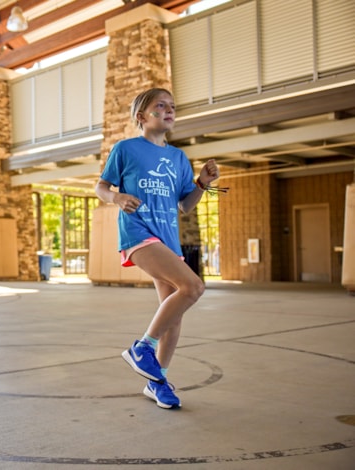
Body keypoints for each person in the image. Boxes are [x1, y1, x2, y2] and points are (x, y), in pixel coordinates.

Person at [95, 87, 220, 409]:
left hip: (168, 238)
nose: (169, 110)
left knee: (174, 316)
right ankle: (142, 347)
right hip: (138, 232)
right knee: (193, 286)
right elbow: (102, 187)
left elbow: (185, 206)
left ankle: (158, 381)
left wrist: (202, 184)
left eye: (172, 106)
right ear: (141, 117)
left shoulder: (178, 158)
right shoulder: (126, 149)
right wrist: (117, 198)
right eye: (160, 106)